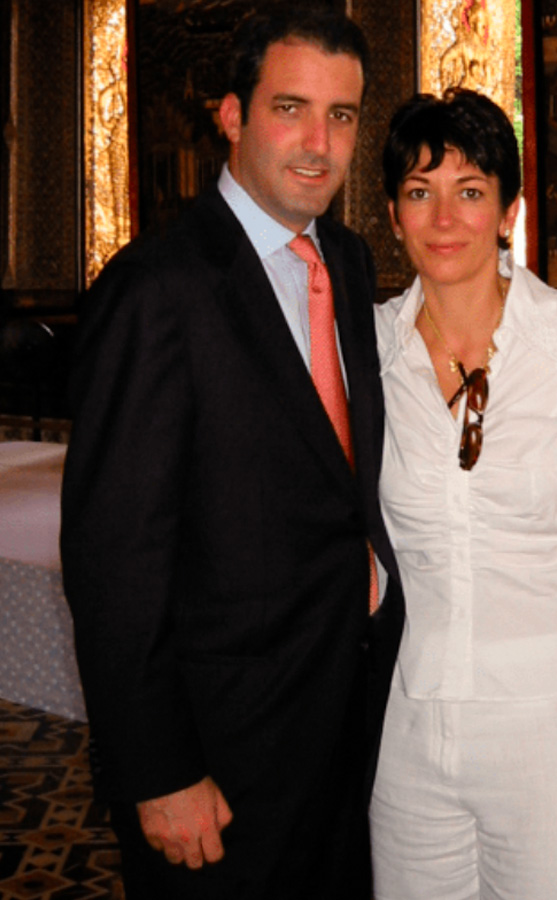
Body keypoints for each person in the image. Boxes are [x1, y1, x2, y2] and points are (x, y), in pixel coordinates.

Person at [60, 7, 403, 899]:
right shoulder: (155, 290)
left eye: (343, 114)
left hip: (347, 731)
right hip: (219, 762)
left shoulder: (354, 263)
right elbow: (111, 562)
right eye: (291, 108)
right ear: (231, 115)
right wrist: (158, 767)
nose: (319, 142)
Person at [369, 88, 557, 900]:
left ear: (508, 211)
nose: (443, 218)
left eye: (470, 192)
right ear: (393, 215)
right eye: (419, 193)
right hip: (412, 728)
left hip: (553, 736)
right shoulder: (369, 351)